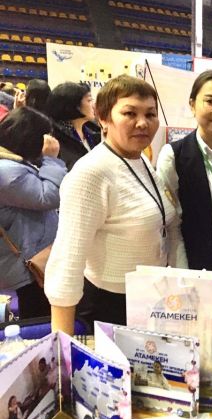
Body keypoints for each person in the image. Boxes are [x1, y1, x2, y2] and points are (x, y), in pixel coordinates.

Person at [45, 75, 187, 334]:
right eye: (129, 113)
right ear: (103, 118)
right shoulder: (91, 174)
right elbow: (67, 263)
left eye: (150, 114)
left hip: (147, 298)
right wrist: (62, 347)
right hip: (108, 306)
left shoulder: (139, 161)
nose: (142, 123)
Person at [156, 71, 212, 303]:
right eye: (210, 101)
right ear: (192, 104)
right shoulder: (174, 155)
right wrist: (185, 277)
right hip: (191, 262)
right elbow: (171, 224)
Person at [0, 107, 67, 318]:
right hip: (26, 263)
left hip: (30, 254)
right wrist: (52, 159)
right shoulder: (7, 172)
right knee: (38, 314)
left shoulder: (11, 162)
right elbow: (50, 196)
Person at [46, 82, 101, 170]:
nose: (93, 105)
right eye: (89, 100)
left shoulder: (94, 132)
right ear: (75, 106)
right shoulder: (54, 140)